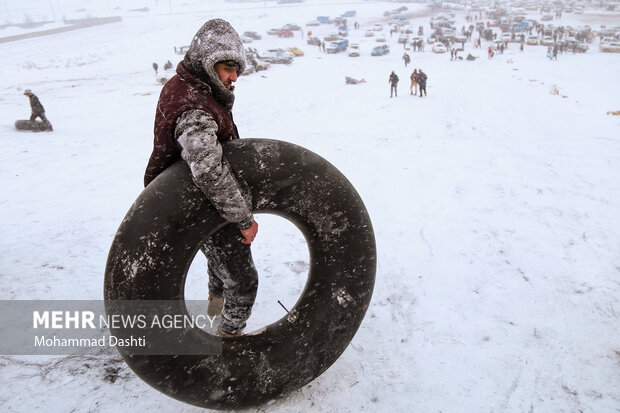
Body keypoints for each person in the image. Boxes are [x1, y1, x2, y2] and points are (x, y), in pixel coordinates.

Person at [143, 18, 259, 337]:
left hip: (190, 199)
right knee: (244, 282)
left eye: (237, 68)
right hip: (199, 201)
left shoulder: (191, 86)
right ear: (207, 64)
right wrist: (243, 219)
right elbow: (208, 170)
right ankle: (228, 337)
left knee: (219, 260)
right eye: (227, 68)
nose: (234, 76)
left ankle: (213, 308)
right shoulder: (194, 107)